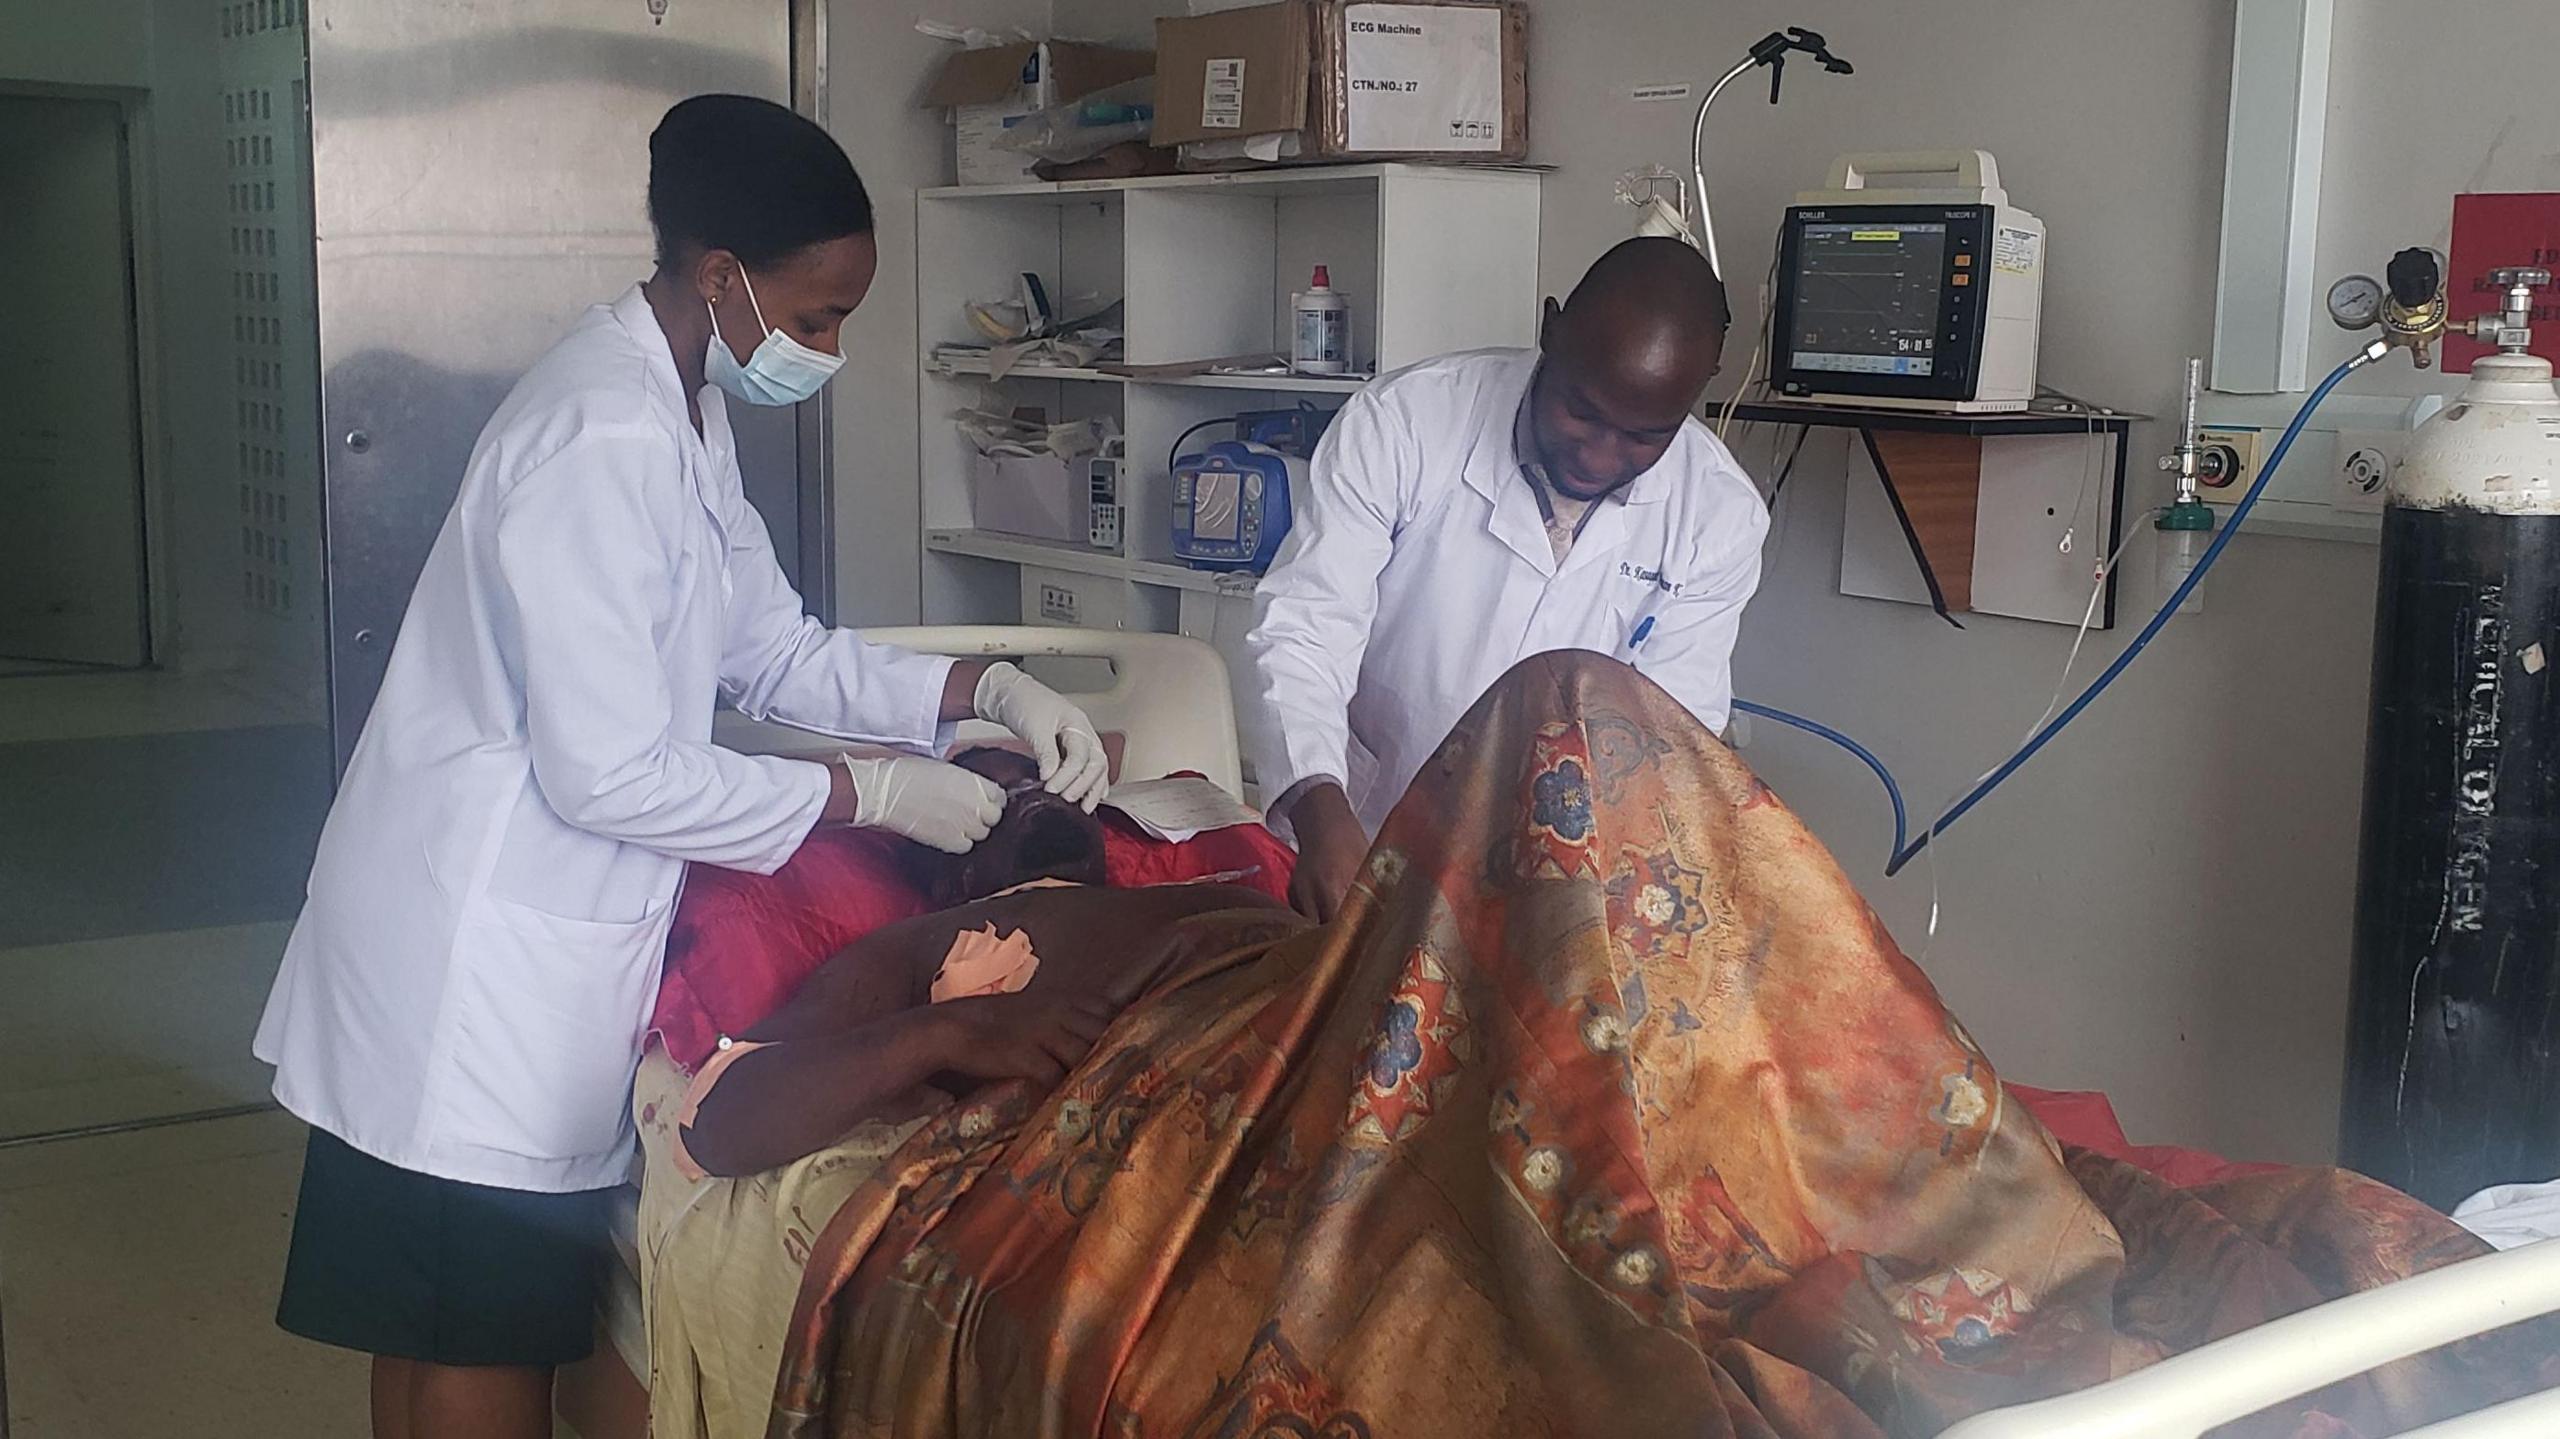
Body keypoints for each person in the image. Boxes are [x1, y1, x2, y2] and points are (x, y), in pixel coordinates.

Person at [254, 95, 1108, 1439]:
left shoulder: (684, 415)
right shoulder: (600, 438)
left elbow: (772, 648)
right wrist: (863, 790)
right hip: (471, 959)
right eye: (818, 317)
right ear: (723, 278)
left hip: (508, 940)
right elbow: (608, 775)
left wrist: (977, 688)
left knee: (442, 1315)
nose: (831, 348)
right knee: (472, 1330)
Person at [1248, 236, 1767, 921]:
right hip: (1362, 830)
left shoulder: (1718, 516)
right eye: (1581, 411)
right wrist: (1320, 812)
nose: (1599, 453)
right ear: (1550, 328)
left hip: (1563, 881)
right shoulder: (1406, 423)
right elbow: (1305, 629)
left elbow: (1668, 738)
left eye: (1644, 435)